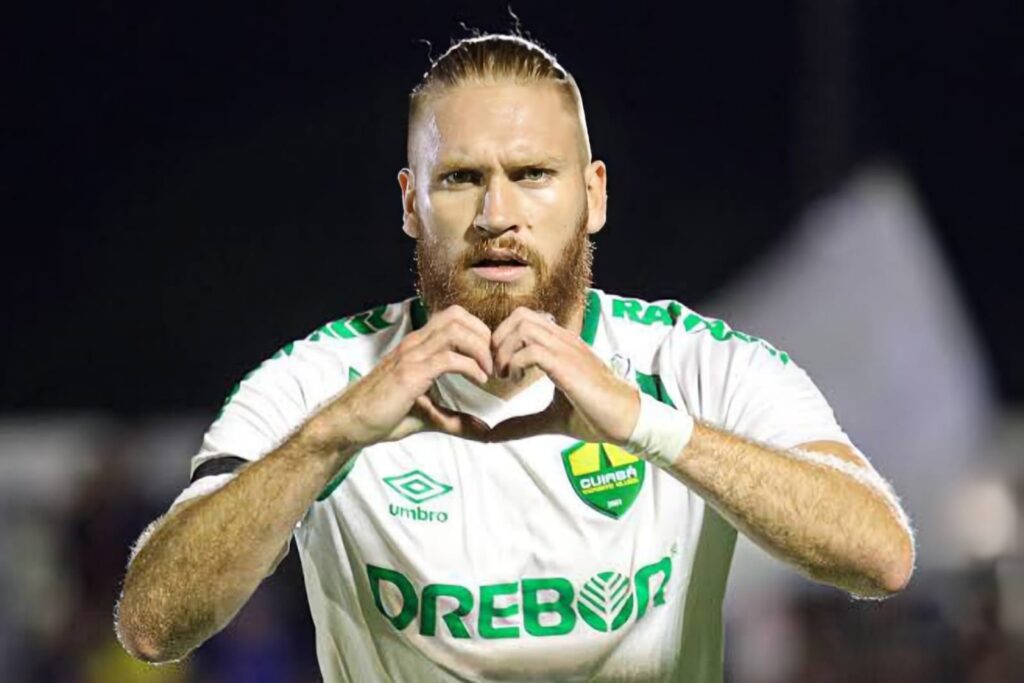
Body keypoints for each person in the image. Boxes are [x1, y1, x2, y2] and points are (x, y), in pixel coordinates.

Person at [115, 33, 915, 682]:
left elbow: (880, 555)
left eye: (532, 174)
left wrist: (647, 425)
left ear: (593, 194)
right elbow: (151, 623)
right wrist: (329, 440)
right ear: (409, 202)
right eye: (462, 178)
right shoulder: (321, 382)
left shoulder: (693, 365)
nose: (498, 214)